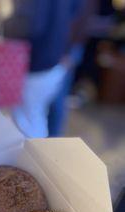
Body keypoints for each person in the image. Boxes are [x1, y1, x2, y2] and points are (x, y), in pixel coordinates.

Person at [0, 0, 84, 138]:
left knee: (28, 121)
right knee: (35, 115)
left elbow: (28, 24)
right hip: (53, 57)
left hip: (36, 62)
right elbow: (75, 10)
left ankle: (32, 157)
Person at [48, 0, 99, 137]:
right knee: (51, 98)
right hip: (61, 46)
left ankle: (52, 140)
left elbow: (82, 20)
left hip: (67, 48)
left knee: (57, 99)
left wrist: (68, 52)